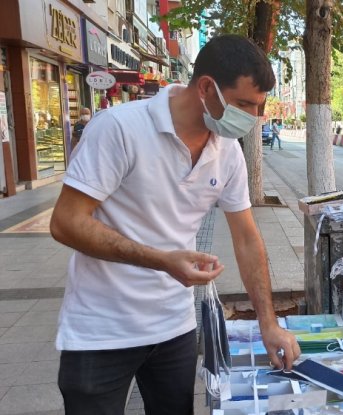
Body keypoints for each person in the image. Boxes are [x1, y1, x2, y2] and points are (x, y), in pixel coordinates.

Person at [49, 35, 300, 415]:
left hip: (175, 329)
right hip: (100, 331)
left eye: (258, 107)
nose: (252, 117)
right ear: (205, 87)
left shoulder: (227, 151)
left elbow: (247, 238)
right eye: (245, 104)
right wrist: (162, 261)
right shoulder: (119, 128)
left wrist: (269, 323)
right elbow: (66, 223)